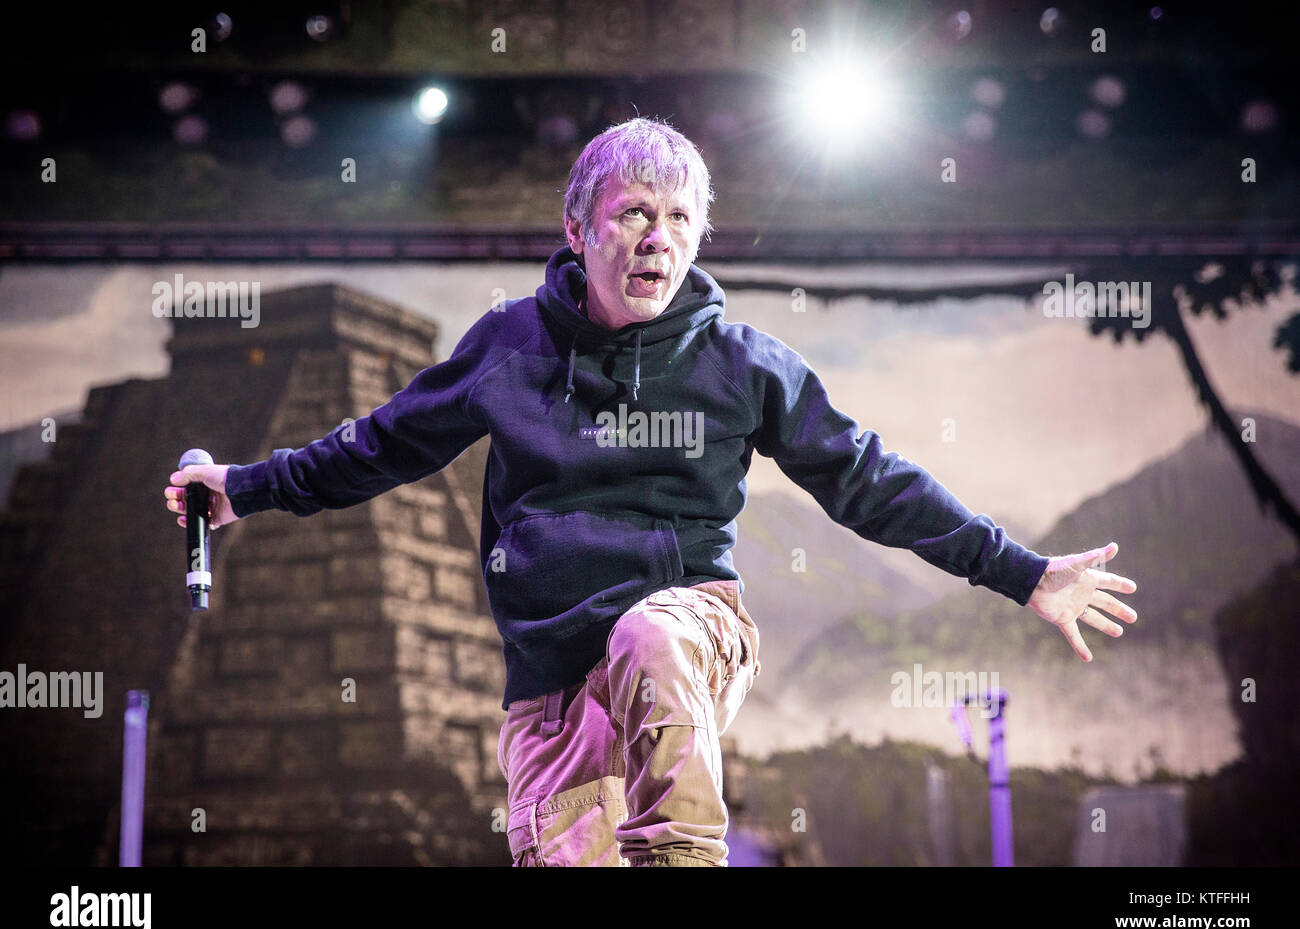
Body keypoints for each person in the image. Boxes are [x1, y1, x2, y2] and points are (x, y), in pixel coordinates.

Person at [164, 116, 1138, 867]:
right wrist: (240, 489)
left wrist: (1023, 573)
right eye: (632, 213)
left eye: (678, 220)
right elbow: (379, 445)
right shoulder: (510, 349)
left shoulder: (742, 365)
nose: (655, 240)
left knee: (648, 632)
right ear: (579, 226)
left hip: (689, 630)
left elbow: (870, 481)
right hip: (549, 687)